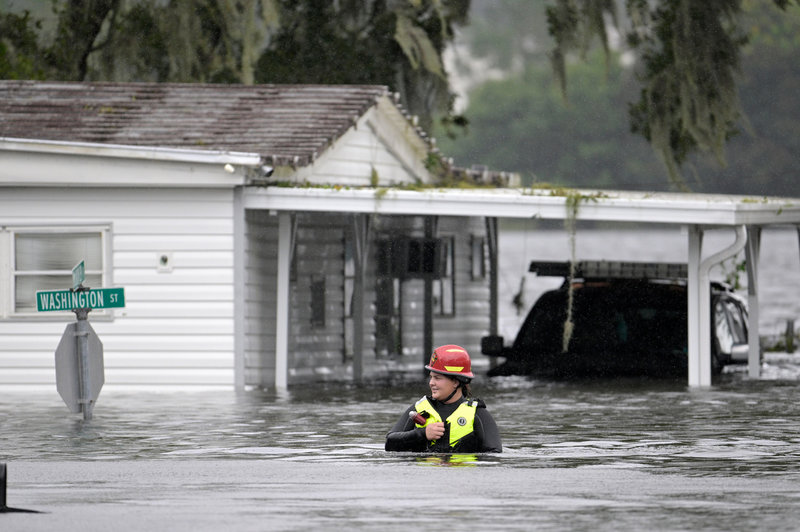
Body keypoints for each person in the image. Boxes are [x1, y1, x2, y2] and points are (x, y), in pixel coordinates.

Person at [385, 344, 502, 453]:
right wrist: (422, 433)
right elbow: (389, 444)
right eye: (431, 377)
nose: (431, 383)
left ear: (455, 382)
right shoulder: (419, 409)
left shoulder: (478, 414)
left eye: (437, 378)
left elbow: (494, 454)